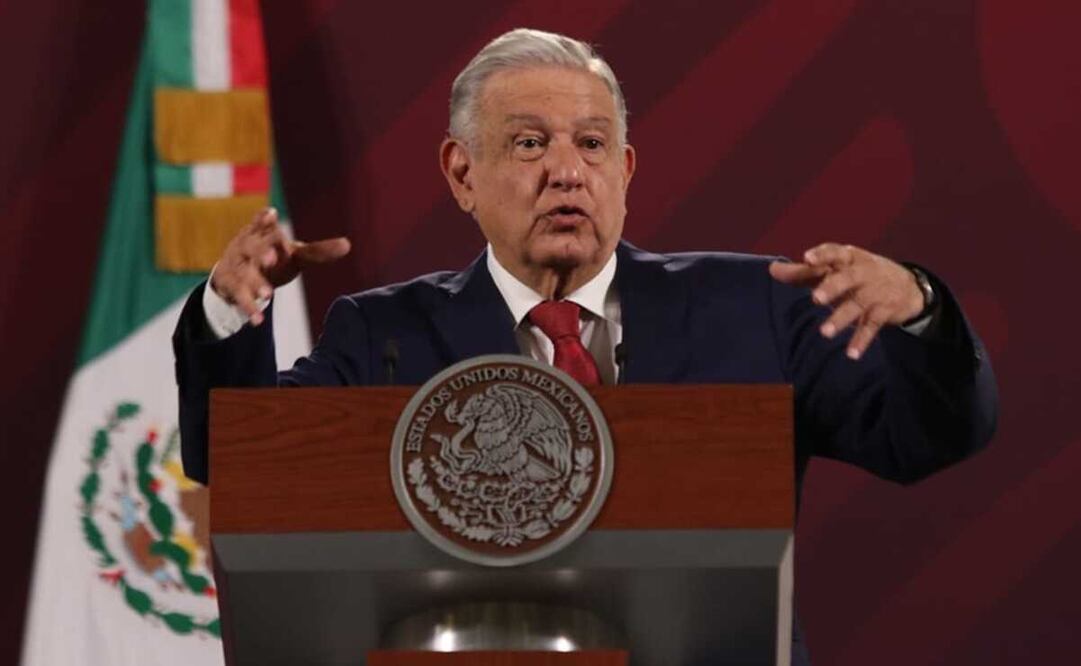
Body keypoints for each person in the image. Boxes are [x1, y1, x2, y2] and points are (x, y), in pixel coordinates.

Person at [172, 28, 997, 665]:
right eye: (530, 144)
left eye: (592, 144)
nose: (567, 172)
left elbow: (924, 439)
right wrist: (226, 314)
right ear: (462, 173)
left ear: (627, 169)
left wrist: (921, 311)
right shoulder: (383, 334)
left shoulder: (753, 309)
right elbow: (243, 474)